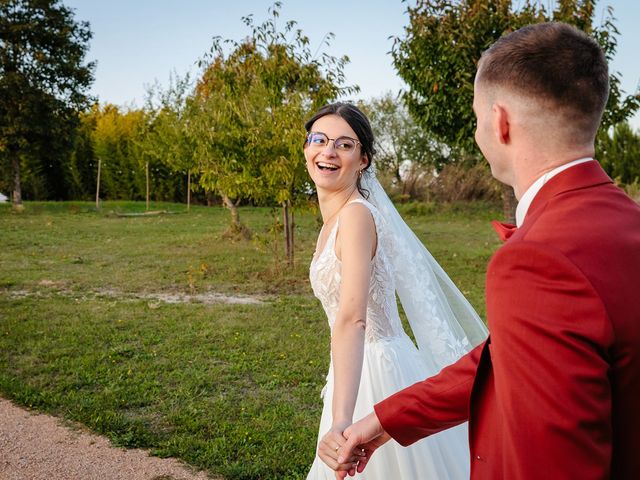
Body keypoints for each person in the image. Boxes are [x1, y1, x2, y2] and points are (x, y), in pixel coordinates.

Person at [330, 22, 640, 479]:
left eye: (476, 117)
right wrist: (386, 420)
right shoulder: (626, 220)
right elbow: (506, 359)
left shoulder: (537, 259)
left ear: (500, 121)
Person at [304, 102, 488, 479]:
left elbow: (354, 319)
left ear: (363, 160)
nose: (328, 151)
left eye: (344, 144)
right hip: (350, 367)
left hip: (378, 373)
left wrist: (342, 420)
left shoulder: (355, 217)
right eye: (319, 140)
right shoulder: (333, 222)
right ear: (306, 148)